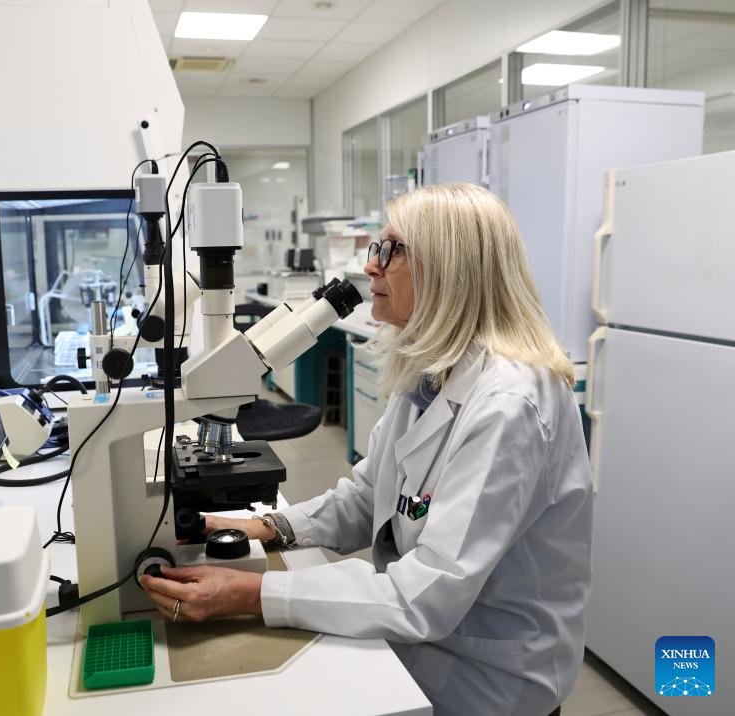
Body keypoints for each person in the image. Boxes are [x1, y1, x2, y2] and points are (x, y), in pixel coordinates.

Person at [140, 183, 593, 716]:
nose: (370, 265)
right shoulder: (431, 374)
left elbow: (426, 594)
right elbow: (366, 496)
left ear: (449, 268)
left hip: (488, 680)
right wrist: (264, 527)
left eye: (390, 250)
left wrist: (250, 595)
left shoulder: (509, 405)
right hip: (419, 647)